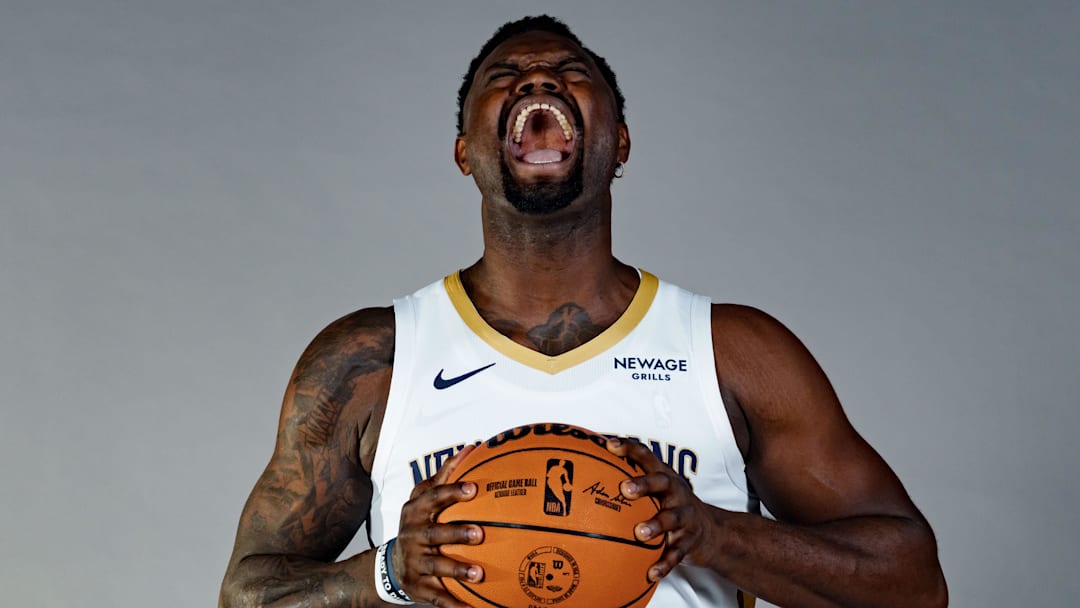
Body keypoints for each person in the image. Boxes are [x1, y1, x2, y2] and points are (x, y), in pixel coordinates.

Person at [220, 15, 947, 608]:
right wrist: (386, 576)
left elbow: (914, 585)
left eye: (572, 75)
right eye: (504, 78)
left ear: (620, 143)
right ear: (465, 152)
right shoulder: (372, 362)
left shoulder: (730, 353)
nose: (538, 79)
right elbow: (246, 594)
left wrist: (713, 535)